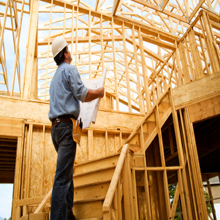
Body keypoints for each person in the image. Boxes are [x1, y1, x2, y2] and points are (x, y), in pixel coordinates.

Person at [49, 36, 104, 220]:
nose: (70, 52)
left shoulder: (54, 78)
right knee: (62, 177)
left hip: (56, 130)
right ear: (65, 53)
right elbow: (83, 94)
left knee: (66, 172)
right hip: (65, 129)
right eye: (68, 49)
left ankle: (68, 212)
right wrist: (100, 92)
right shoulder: (69, 70)